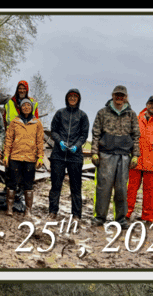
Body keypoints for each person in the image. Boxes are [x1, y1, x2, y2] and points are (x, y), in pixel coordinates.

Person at [91, 85, 141, 225]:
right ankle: (99, 217)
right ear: (112, 95)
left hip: (124, 156)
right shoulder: (102, 112)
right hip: (105, 155)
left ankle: (120, 219)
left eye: (122, 95)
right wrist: (94, 153)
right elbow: (96, 134)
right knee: (103, 188)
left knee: (121, 189)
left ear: (125, 97)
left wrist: (135, 155)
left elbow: (136, 136)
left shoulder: (131, 114)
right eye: (116, 95)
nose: (119, 98)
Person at [48, 89, 90, 219]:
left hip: (75, 156)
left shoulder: (83, 116)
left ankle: (76, 214)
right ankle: (52, 211)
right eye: (70, 96)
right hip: (58, 155)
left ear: (78, 99)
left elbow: (84, 135)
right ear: (67, 98)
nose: (72, 98)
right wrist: (59, 141)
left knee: (76, 186)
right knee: (55, 184)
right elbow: (53, 131)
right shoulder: (60, 113)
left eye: (75, 97)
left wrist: (77, 146)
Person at [1, 98, 45, 217]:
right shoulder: (15, 122)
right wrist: (6, 155)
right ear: (20, 107)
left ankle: (28, 210)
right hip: (15, 157)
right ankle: (9, 208)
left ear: (32, 108)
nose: (26, 107)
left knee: (28, 184)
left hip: (30, 158)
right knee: (12, 182)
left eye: (28, 105)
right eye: (24, 105)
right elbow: (8, 139)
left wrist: (40, 157)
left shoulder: (37, 123)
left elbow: (40, 141)